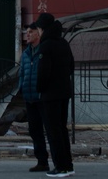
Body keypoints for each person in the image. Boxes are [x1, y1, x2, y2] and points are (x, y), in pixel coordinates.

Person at [32, 12, 74, 178]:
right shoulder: (63, 42)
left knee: (53, 131)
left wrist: (40, 89)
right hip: (64, 92)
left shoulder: (46, 45)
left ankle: (60, 167)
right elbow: (71, 66)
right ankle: (68, 165)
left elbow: (43, 72)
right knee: (62, 130)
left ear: (43, 28)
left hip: (50, 95)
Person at [18, 23, 49, 173]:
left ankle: (58, 160)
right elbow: (22, 73)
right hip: (29, 97)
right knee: (34, 130)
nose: (27, 35)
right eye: (26, 32)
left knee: (50, 129)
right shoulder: (26, 53)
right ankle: (42, 161)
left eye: (31, 32)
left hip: (42, 97)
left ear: (38, 33)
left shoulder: (44, 50)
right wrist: (22, 88)